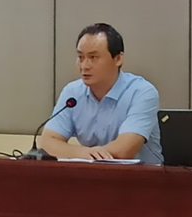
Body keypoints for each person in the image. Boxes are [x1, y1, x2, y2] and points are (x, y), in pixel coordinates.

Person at [39, 23, 163, 164]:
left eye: (93, 57)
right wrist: (84, 153)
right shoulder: (72, 92)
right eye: (80, 57)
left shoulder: (142, 92)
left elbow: (124, 150)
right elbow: (48, 142)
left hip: (141, 176)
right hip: (91, 174)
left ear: (118, 59)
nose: (84, 66)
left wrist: (85, 155)